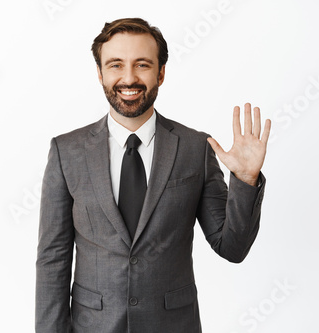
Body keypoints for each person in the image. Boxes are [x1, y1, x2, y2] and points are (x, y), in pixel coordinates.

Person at [35, 17, 271, 333]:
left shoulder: (194, 148)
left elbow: (232, 247)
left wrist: (245, 179)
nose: (129, 78)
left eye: (142, 65)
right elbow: (53, 260)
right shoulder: (67, 152)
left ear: (161, 73)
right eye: (116, 65)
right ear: (100, 73)